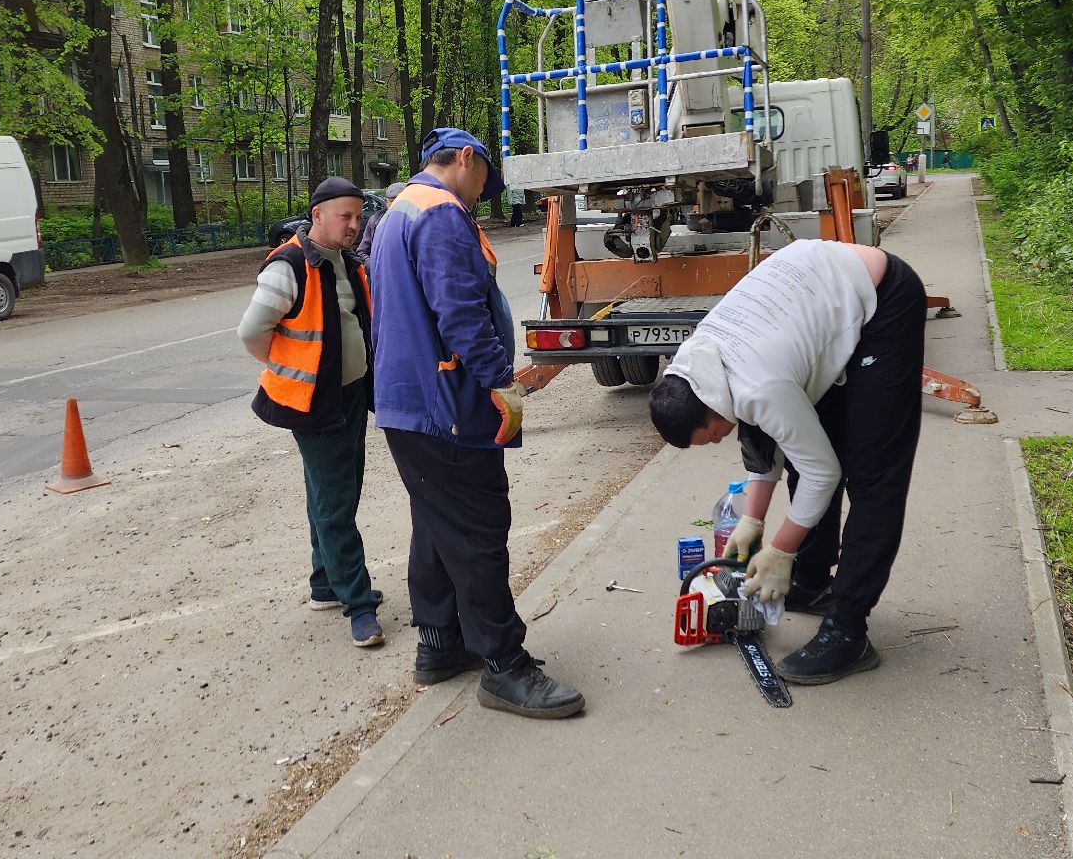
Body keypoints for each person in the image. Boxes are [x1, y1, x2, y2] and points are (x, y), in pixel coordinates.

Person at [368, 127, 585, 719]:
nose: (485, 187)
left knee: (436, 525)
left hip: (409, 401)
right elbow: (461, 313)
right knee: (478, 531)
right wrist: (499, 381)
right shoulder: (439, 214)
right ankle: (504, 665)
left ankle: (440, 645)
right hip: (448, 404)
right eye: (485, 173)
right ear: (466, 158)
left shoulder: (398, 210)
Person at [647, 238, 927, 686]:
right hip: (818, 294)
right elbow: (769, 439)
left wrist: (780, 549)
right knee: (812, 446)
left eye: (712, 435)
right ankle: (812, 581)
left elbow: (822, 470)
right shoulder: (699, 366)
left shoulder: (758, 385)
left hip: (882, 299)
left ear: (712, 407)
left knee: (873, 473)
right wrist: (752, 521)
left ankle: (849, 629)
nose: (720, 440)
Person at [241, 176, 384, 648]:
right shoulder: (290, 264)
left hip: (349, 396)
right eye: (345, 216)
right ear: (317, 215)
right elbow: (252, 332)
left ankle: (325, 583)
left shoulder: (345, 260)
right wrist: (286, 366)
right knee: (335, 502)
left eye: (358, 217)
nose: (354, 225)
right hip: (313, 403)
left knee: (330, 492)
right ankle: (358, 604)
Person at [356, 181, 403, 260]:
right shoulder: (375, 220)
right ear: (386, 202)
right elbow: (362, 252)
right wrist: (373, 266)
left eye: (398, 201)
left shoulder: (413, 221)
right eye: (391, 201)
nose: (394, 205)